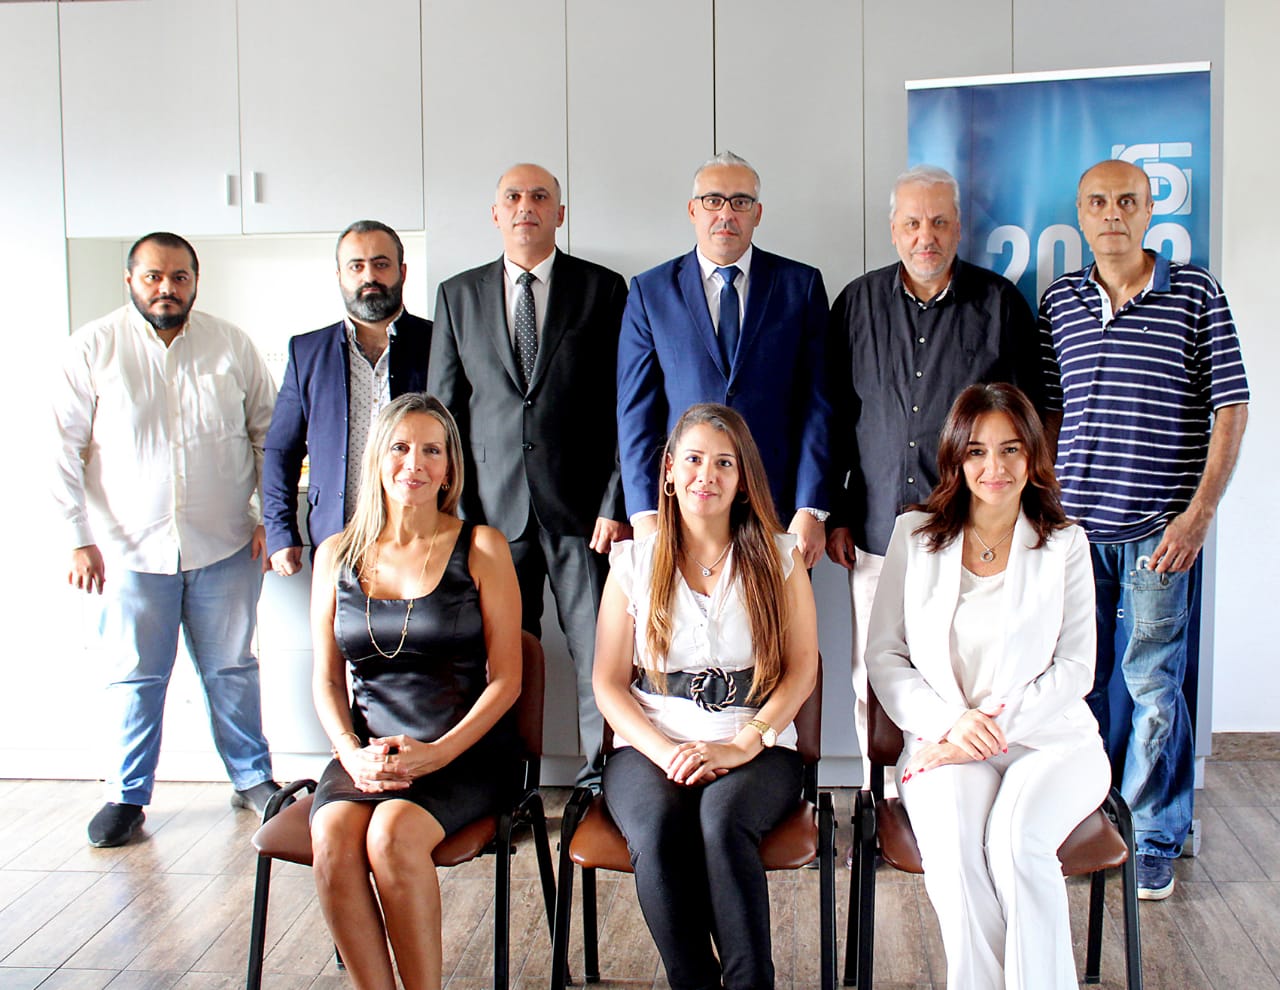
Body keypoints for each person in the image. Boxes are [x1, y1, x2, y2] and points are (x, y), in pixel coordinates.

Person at [1039, 158, 1250, 899]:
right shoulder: (1059, 301)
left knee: (1154, 685)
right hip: (1076, 533)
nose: (1112, 214)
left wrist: (1199, 515)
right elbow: (1050, 412)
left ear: (1150, 210)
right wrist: (1048, 506)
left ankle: (1156, 837)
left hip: (1163, 531)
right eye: (1097, 202)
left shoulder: (1196, 293)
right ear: (1080, 213)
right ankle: (1090, 819)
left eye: (1127, 201)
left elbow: (1232, 408)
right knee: (1081, 685)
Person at [866, 383, 1110, 990]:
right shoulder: (914, 535)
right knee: (952, 853)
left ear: (1033, 455)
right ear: (956, 456)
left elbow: (1076, 667)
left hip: (1050, 743)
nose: (993, 467)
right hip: (944, 742)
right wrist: (953, 725)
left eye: (1010, 449)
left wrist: (990, 730)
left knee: (1016, 843)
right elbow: (885, 656)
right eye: (976, 451)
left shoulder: (1065, 544)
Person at [53, 232, 281, 847]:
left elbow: (269, 436)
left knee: (233, 668)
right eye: (154, 276)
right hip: (128, 550)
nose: (167, 288)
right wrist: (76, 537)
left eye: (179, 277)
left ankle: (253, 778)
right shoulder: (93, 348)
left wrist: (271, 516)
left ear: (195, 281)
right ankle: (126, 796)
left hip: (225, 542)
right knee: (135, 676)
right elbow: (61, 450)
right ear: (130, 280)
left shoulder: (231, 345)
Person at [826, 164, 1045, 775]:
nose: (927, 236)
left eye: (940, 222)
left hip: (971, 534)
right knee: (872, 673)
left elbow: (1028, 423)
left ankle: (947, 788)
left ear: (959, 228)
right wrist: (837, 512)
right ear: (893, 229)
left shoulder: (1000, 306)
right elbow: (835, 416)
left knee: (958, 676)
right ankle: (880, 797)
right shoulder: (856, 304)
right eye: (914, 223)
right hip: (873, 529)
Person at [593, 403, 819, 990]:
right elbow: (608, 682)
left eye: (724, 463)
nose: (707, 475)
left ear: (743, 478)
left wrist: (745, 744)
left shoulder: (781, 556)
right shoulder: (633, 561)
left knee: (721, 822)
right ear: (669, 470)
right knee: (657, 832)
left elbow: (802, 670)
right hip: (650, 744)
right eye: (693, 459)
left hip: (756, 742)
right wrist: (665, 751)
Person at [308, 392, 522, 990]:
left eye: (432, 451)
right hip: (368, 751)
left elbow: (508, 679)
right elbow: (325, 678)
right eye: (400, 448)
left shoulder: (483, 546)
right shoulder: (334, 555)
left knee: (392, 835)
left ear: (450, 468)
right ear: (377, 459)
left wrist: (438, 753)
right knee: (331, 837)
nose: (415, 464)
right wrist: (350, 752)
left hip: (463, 750)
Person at [428, 162, 628, 785]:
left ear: (559, 213)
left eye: (540, 196)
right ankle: (507, 788)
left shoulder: (602, 289)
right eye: (513, 197)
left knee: (600, 654)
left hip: (583, 514)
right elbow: (443, 415)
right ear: (495, 214)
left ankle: (602, 784)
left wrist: (615, 501)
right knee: (501, 660)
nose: (526, 207)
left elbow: (625, 406)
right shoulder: (457, 296)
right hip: (490, 515)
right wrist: (457, 515)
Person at [616, 151, 832, 567]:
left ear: (758, 213)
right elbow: (636, 412)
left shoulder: (800, 285)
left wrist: (812, 508)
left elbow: (818, 404)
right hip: (683, 510)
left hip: (777, 508)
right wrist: (644, 515)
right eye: (713, 200)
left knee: (778, 612)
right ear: (693, 210)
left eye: (741, 202)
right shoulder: (650, 292)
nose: (726, 214)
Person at [263, 220, 432, 575]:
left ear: (402, 272)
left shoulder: (437, 342)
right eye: (356, 266)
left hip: (425, 537)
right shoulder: (306, 352)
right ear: (340, 276)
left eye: (381, 264)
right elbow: (282, 449)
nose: (369, 276)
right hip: (337, 539)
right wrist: (280, 531)